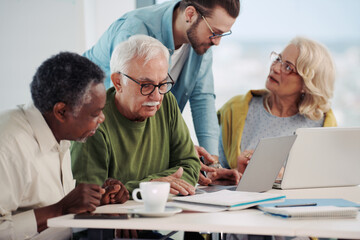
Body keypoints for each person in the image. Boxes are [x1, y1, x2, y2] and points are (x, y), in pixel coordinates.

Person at [83, 0, 241, 184]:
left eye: (222, 34)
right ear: (190, 15)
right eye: (214, 32)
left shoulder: (201, 41)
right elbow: (124, 103)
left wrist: (212, 166)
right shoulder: (134, 31)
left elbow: (202, 98)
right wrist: (173, 151)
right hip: (97, 130)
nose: (217, 42)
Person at [0, 52, 129, 240]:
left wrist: (96, 201)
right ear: (61, 111)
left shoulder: (59, 133)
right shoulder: (9, 145)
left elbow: (51, 207)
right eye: (95, 113)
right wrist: (60, 208)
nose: (102, 118)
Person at [71, 35, 202, 197]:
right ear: (118, 82)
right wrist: (149, 186)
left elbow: (190, 164)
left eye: (162, 84)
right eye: (146, 85)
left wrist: (153, 185)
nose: (156, 96)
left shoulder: (167, 102)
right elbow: (88, 196)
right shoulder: (93, 122)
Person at [217, 36, 337, 177]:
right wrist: (237, 174)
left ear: (307, 84)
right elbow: (216, 171)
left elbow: (325, 180)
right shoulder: (235, 109)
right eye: (278, 59)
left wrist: (282, 177)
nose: (275, 68)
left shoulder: (322, 123)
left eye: (288, 67)